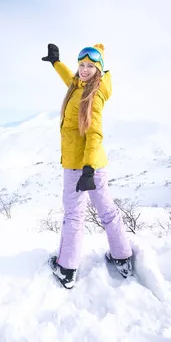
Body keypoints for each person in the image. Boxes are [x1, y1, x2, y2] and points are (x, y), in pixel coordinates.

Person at [41, 43, 134, 289]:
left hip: (80, 166)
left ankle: (66, 268)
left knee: (74, 215)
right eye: (81, 65)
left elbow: (95, 134)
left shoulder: (93, 97)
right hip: (94, 165)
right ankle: (122, 257)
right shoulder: (81, 85)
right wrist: (55, 63)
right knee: (107, 210)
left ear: (98, 69)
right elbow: (70, 79)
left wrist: (88, 168)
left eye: (90, 66)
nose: (83, 70)